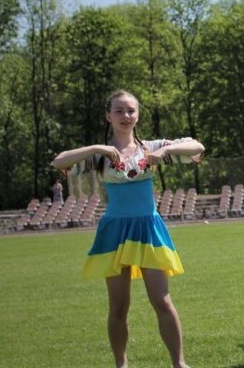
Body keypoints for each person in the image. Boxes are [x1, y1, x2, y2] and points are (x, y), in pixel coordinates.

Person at [52, 90, 204, 368]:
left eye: (131, 110)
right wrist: (98, 149)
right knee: (119, 307)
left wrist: (166, 151)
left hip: (148, 228)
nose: (126, 116)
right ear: (108, 116)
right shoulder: (100, 156)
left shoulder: (152, 147)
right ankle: (121, 365)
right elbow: (59, 162)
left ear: (138, 115)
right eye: (119, 111)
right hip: (115, 233)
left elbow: (198, 148)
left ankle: (179, 364)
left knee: (162, 300)